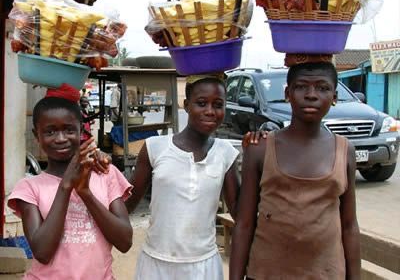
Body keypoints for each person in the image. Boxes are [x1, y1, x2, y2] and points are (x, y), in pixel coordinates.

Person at [230, 62, 361, 280]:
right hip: (266, 273)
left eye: (322, 88)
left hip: (326, 273)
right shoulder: (261, 149)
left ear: (335, 96)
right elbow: (244, 223)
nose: (311, 95)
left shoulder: (344, 151)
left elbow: (349, 225)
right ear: (287, 93)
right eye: (301, 87)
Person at [8, 84, 133, 279]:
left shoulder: (105, 174)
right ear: (36, 135)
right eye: (50, 132)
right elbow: (42, 252)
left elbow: (125, 242)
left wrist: (85, 192)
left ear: (81, 130)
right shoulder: (29, 188)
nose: (60, 138)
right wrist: (66, 186)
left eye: (69, 130)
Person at [125, 75, 240, 280]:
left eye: (218, 104)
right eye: (201, 103)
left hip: (203, 267)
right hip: (156, 264)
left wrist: (258, 158)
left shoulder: (225, 153)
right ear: (186, 105)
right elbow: (127, 205)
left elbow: (240, 214)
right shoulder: (155, 147)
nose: (210, 111)